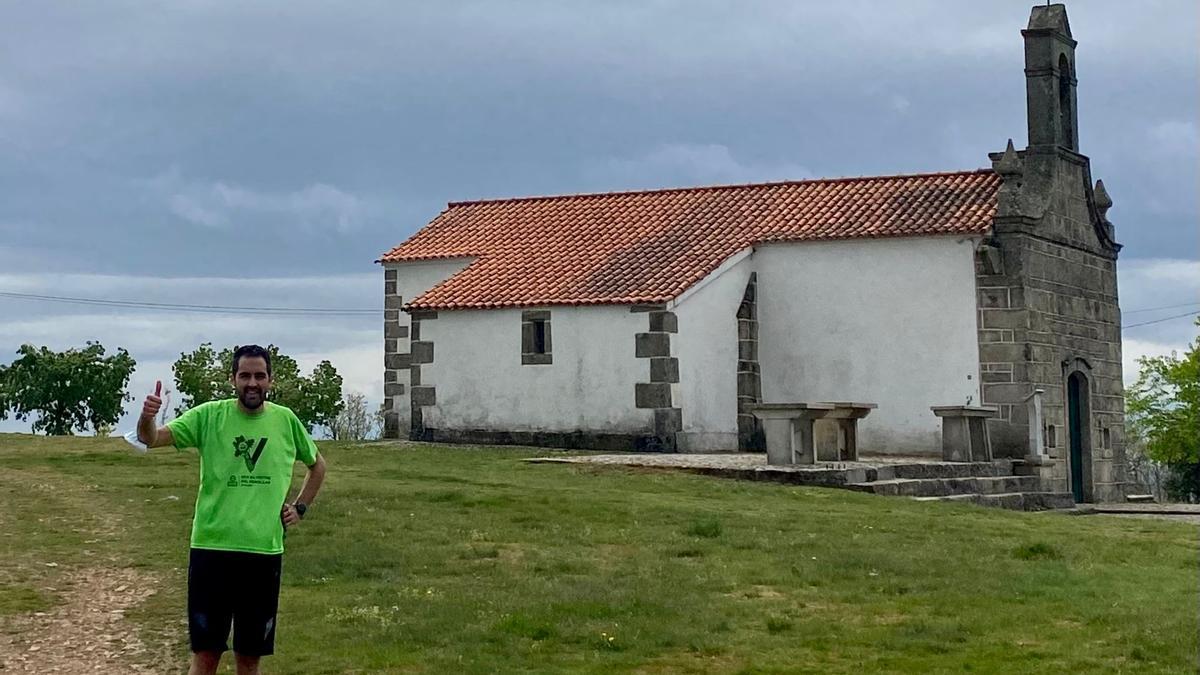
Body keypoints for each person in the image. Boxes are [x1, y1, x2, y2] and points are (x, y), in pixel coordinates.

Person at [137, 344, 327, 675]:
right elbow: (151, 439)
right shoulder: (209, 416)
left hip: (263, 553)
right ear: (232, 379)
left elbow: (317, 465)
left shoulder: (285, 420)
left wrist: (300, 508)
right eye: (244, 376)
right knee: (206, 655)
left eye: (259, 376)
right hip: (212, 550)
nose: (252, 383)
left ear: (271, 380)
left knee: (249, 658)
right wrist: (146, 417)